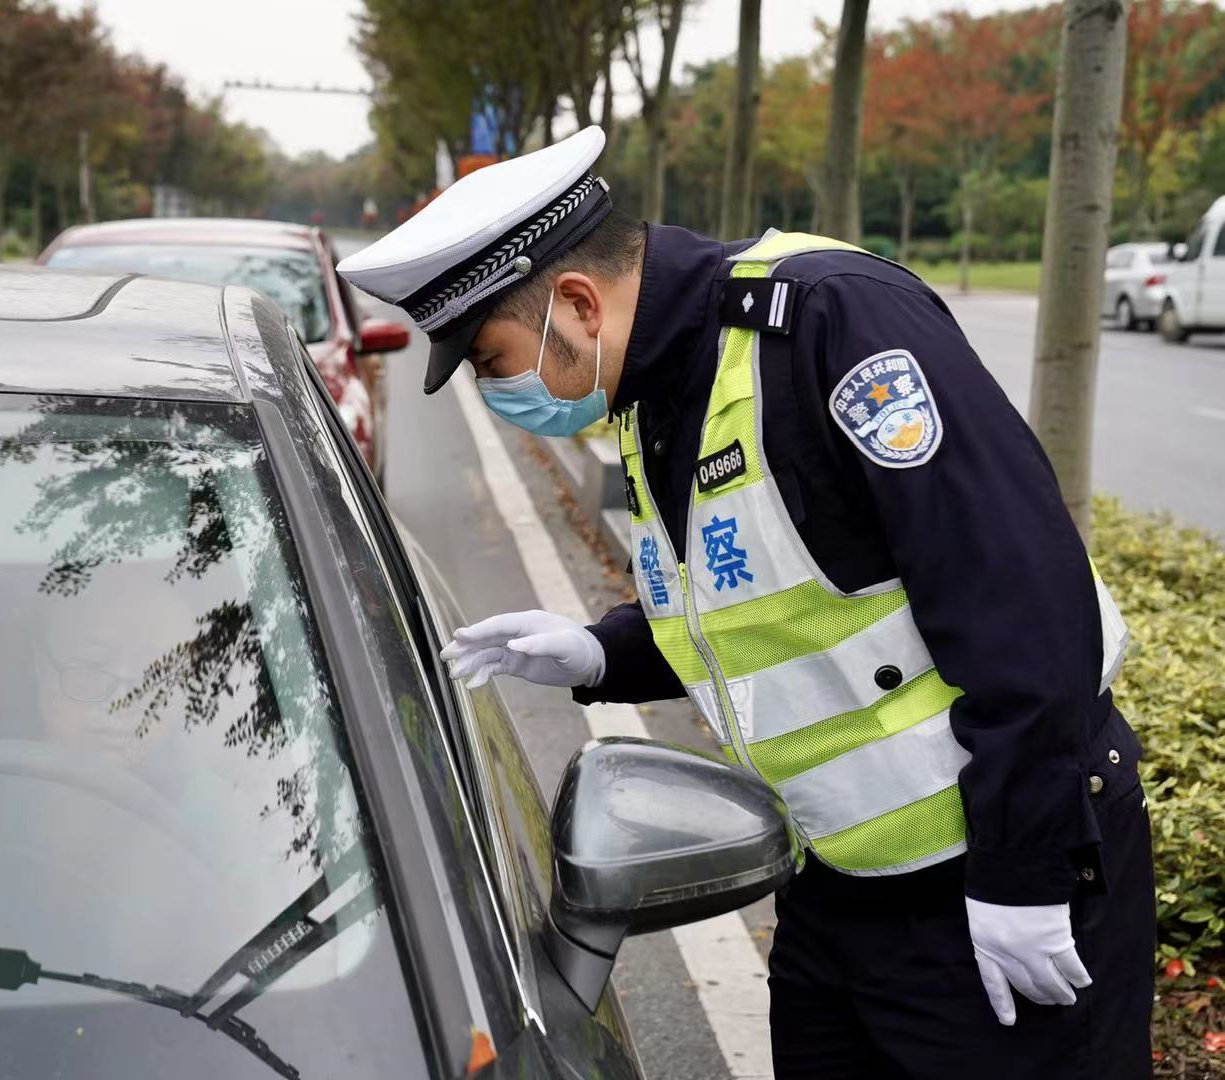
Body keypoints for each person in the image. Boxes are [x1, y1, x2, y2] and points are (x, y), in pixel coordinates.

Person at [337, 126, 1154, 1078]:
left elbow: (1022, 598)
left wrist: (1024, 871)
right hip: (835, 883)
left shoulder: (830, 324)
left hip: (997, 878)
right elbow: (761, 604)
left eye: (491, 358)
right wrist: (602, 651)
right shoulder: (649, 391)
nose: (494, 389)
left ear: (577, 303)